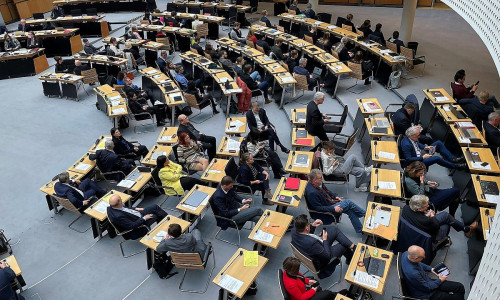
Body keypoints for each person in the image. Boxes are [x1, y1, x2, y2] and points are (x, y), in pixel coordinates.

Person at [291, 214, 355, 278]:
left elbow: (306, 234)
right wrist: (325, 240)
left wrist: (313, 226)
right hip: (322, 258)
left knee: (333, 229)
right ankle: (351, 259)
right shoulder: (312, 244)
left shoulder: (294, 230)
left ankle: (353, 246)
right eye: (309, 223)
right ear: (307, 228)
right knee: (343, 246)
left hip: (313, 250)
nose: (310, 224)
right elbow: (327, 255)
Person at [402, 195, 477, 243]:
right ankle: (466, 230)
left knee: (446, 216)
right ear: (419, 209)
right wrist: (431, 217)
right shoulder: (426, 220)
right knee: (446, 224)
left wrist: (426, 215)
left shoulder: (406, 208)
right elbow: (435, 226)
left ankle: (466, 229)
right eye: (425, 206)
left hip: (415, 228)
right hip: (427, 234)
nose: (428, 206)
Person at [401, 245, 466, 300]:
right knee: (454, 296)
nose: (425, 257)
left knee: (459, 287)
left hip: (428, 282)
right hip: (427, 293)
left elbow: (419, 264)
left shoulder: (406, 254)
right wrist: (440, 280)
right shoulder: (413, 273)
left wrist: (431, 269)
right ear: (416, 258)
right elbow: (427, 288)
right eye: (423, 257)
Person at [400, 126, 466, 170]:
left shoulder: (411, 138)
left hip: (420, 153)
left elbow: (416, 144)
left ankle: (453, 159)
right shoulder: (406, 145)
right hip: (417, 162)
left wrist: (425, 147)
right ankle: (456, 167)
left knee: (438, 143)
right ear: (412, 135)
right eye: (418, 135)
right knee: (436, 158)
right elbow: (408, 159)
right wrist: (422, 157)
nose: (419, 137)